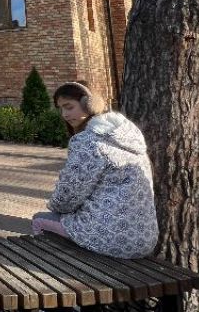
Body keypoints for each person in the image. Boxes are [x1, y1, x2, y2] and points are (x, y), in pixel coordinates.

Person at [31, 82, 159, 259]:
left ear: (89, 104)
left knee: (40, 219)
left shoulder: (88, 142)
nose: (65, 114)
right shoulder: (129, 137)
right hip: (144, 240)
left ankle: (57, 269)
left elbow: (68, 196)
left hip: (109, 239)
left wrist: (55, 207)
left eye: (69, 107)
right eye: (61, 109)